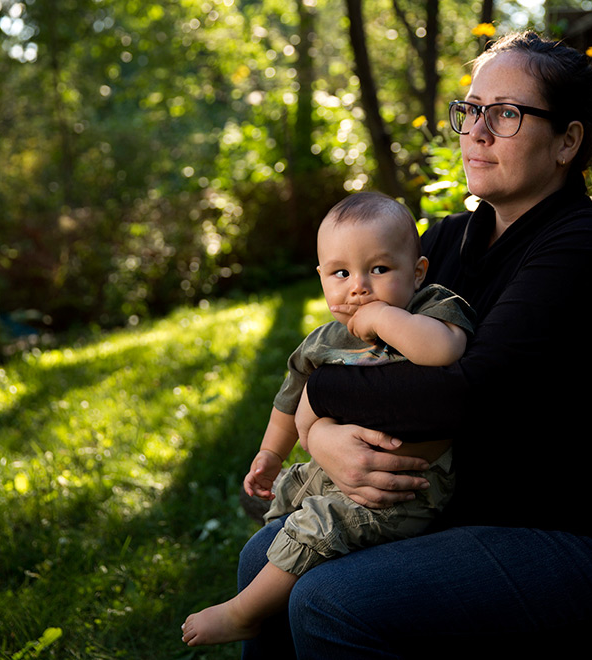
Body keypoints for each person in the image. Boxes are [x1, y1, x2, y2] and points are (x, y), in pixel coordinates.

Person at [238, 31, 592, 658]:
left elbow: (462, 399)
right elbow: (360, 348)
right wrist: (321, 439)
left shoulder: (587, 251)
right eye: (471, 109)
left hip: (577, 531)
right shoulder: (444, 243)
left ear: (567, 141)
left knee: (329, 599)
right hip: (465, 506)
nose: (477, 130)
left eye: (506, 114)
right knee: (265, 554)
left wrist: (318, 395)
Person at [181, 192, 474, 647]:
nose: (358, 287)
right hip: (335, 471)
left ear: (416, 272)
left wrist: (382, 316)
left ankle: (244, 613)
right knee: (287, 497)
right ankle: (279, 584)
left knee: (320, 521)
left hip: (405, 488)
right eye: (341, 273)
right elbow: (288, 399)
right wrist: (270, 454)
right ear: (321, 278)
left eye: (379, 270)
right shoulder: (323, 341)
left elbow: (443, 351)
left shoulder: (430, 308)